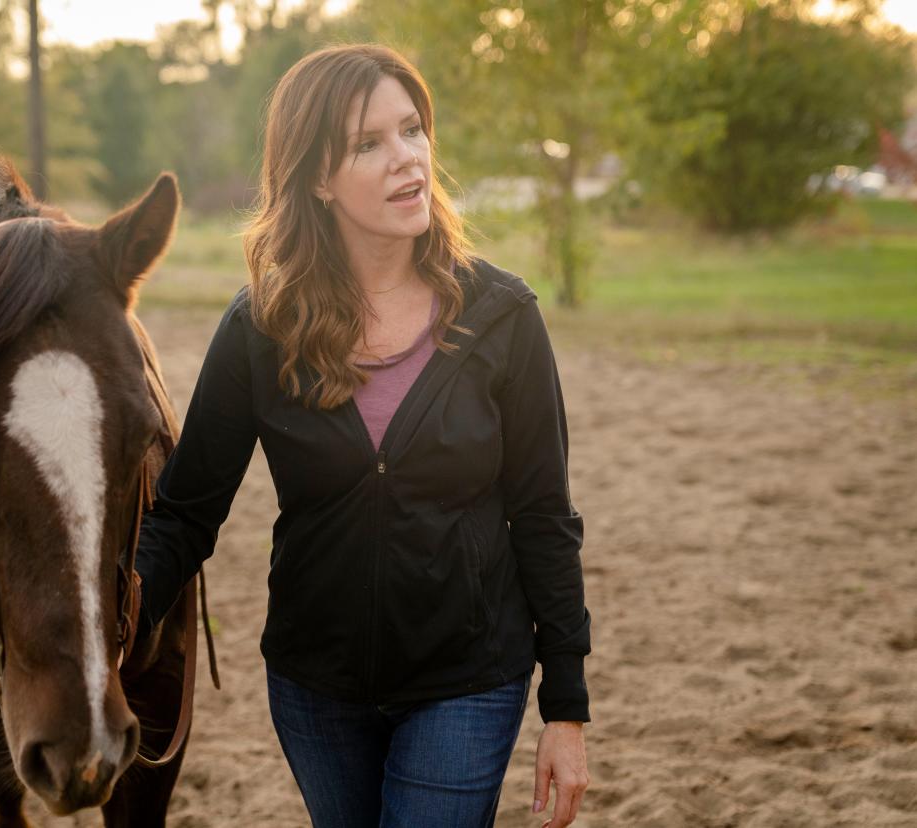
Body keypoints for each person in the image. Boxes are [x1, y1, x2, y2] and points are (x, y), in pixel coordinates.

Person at [134, 43, 591, 828]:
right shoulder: (261, 329)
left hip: (469, 679)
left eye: (412, 130)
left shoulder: (502, 317)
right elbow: (185, 514)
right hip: (317, 688)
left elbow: (545, 517)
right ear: (317, 177)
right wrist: (108, 623)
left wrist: (567, 708)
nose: (406, 159)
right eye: (368, 144)